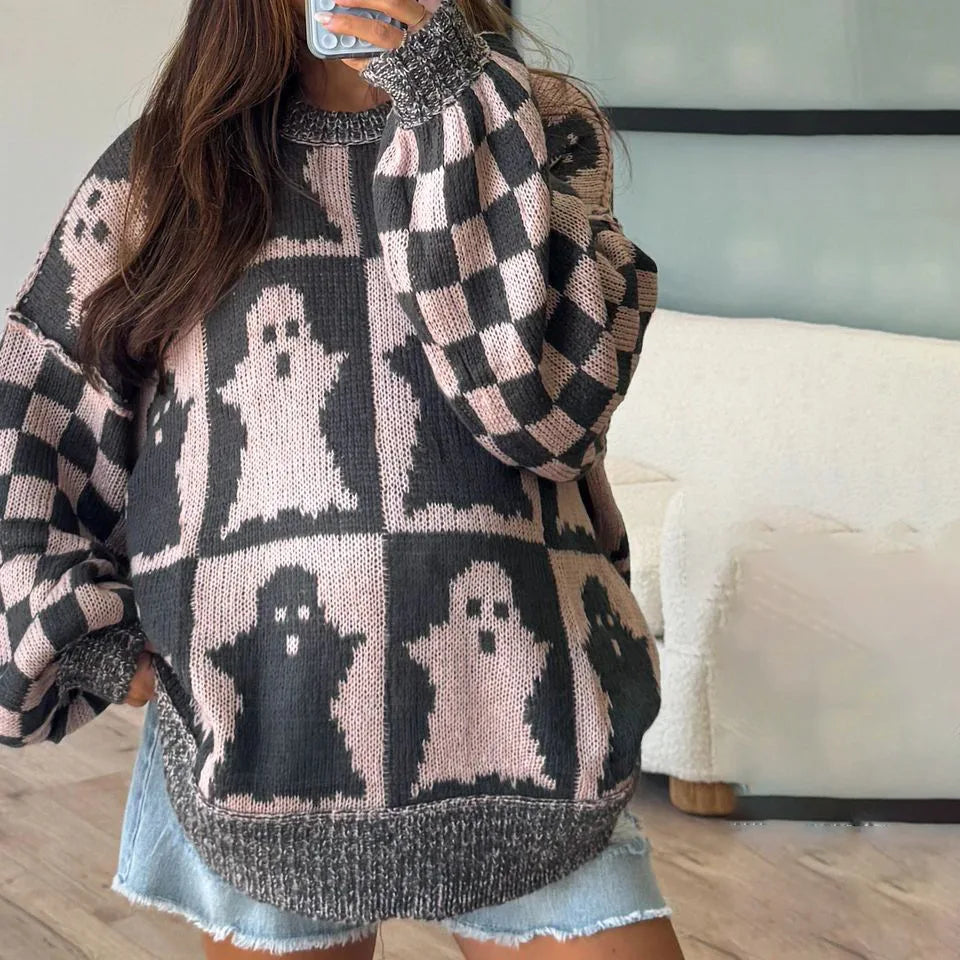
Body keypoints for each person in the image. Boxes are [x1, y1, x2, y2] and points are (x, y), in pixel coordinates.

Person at [0, 0, 684, 957]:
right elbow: (39, 403)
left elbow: (552, 417)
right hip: (257, 739)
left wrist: (448, 96)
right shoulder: (168, 168)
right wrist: (93, 641)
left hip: (538, 725)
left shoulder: (541, 123)